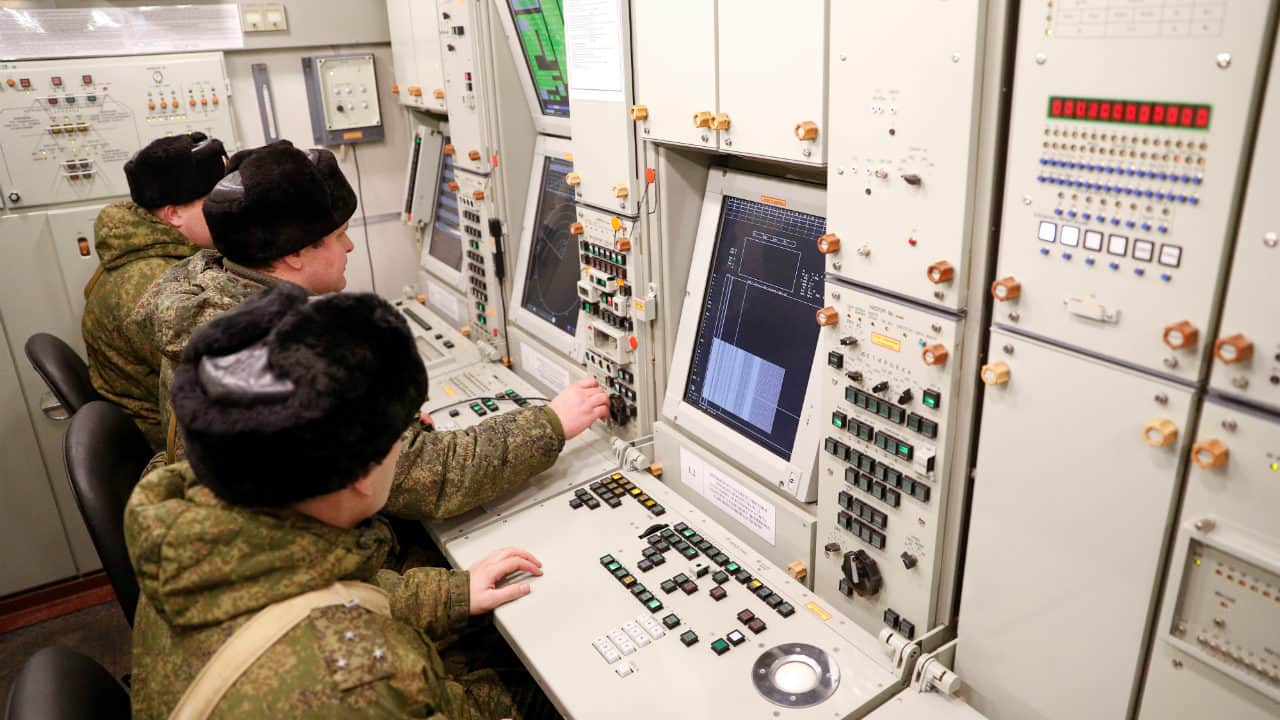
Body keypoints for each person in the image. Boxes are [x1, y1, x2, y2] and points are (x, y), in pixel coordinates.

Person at [135, 139, 610, 522]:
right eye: (338, 234)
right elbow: (428, 478)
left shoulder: (208, 302)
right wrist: (552, 422)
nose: (349, 247)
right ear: (293, 254)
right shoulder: (280, 356)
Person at [127, 285, 543, 719]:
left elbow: (324, 594)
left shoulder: (195, 540)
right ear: (363, 474)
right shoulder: (363, 685)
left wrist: (451, 594)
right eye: (405, 432)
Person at [82, 132, 227, 448]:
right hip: (169, 444)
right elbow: (218, 378)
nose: (230, 210)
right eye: (216, 201)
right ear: (173, 214)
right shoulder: (154, 280)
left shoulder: (152, 250)